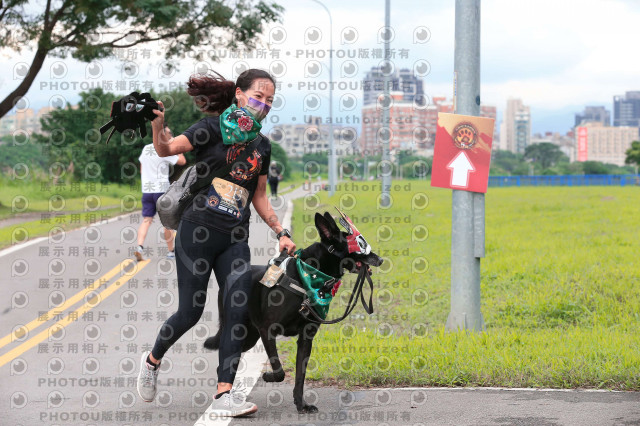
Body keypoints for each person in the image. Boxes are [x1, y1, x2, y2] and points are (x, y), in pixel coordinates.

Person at [136, 69, 296, 417]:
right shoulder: (209, 128)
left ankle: (224, 394)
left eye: (270, 101)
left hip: (235, 238)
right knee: (190, 313)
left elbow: (260, 196)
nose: (264, 105)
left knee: (237, 310)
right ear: (239, 94)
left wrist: (280, 231)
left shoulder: (262, 146)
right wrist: (157, 123)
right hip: (197, 232)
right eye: (258, 96)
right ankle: (151, 361)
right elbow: (165, 148)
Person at [134, 123, 186, 261]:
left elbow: (141, 169)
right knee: (166, 223)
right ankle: (171, 251)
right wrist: (178, 147)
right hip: (161, 191)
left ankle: (139, 247)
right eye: (169, 134)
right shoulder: (164, 150)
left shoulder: (146, 149)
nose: (171, 136)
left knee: (146, 220)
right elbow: (182, 161)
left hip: (147, 190)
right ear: (162, 135)